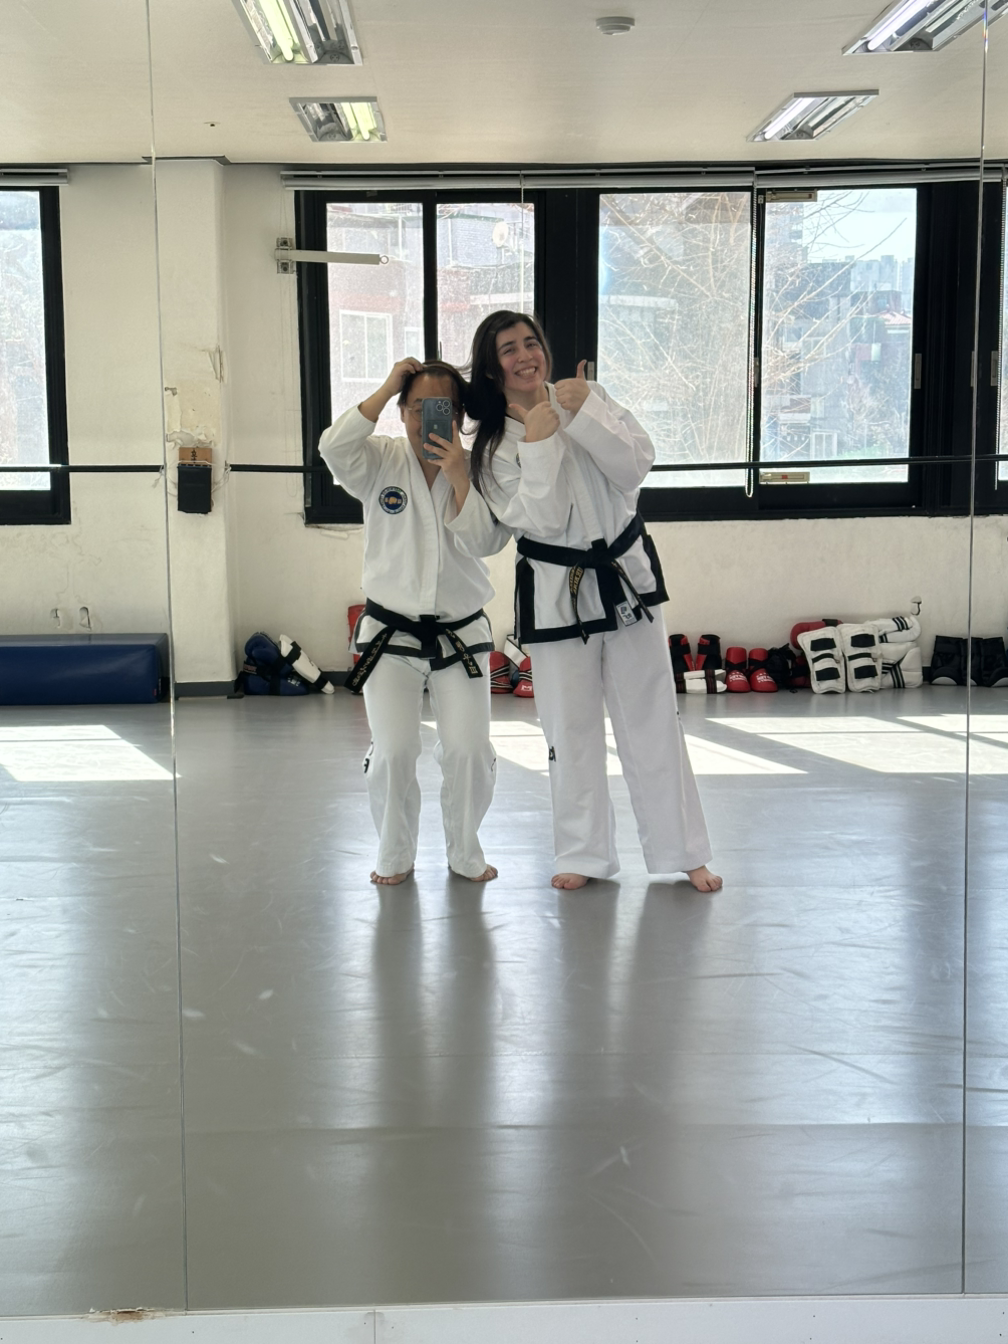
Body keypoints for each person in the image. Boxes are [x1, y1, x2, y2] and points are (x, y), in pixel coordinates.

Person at [458, 311, 721, 893]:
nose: (525, 355)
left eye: (531, 342)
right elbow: (545, 520)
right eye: (509, 349)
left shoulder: (587, 396)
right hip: (558, 590)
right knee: (569, 728)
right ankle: (583, 852)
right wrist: (540, 440)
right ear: (492, 367)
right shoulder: (493, 447)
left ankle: (684, 850)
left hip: (625, 577)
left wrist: (587, 416)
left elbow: (635, 466)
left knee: (654, 717)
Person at [319, 358, 507, 886]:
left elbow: (487, 541)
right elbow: (332, 447)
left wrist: (458, 475)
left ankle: (465, 850)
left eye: (442, 408)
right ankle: (395, 852)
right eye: (418, 407)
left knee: (470, 751)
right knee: (393, 751)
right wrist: (385, 388)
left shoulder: (479, 468)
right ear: (401, 412)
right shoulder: (378, 460)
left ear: (459, 414)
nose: (429, 419)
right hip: (390, 635)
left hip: (460, 632)